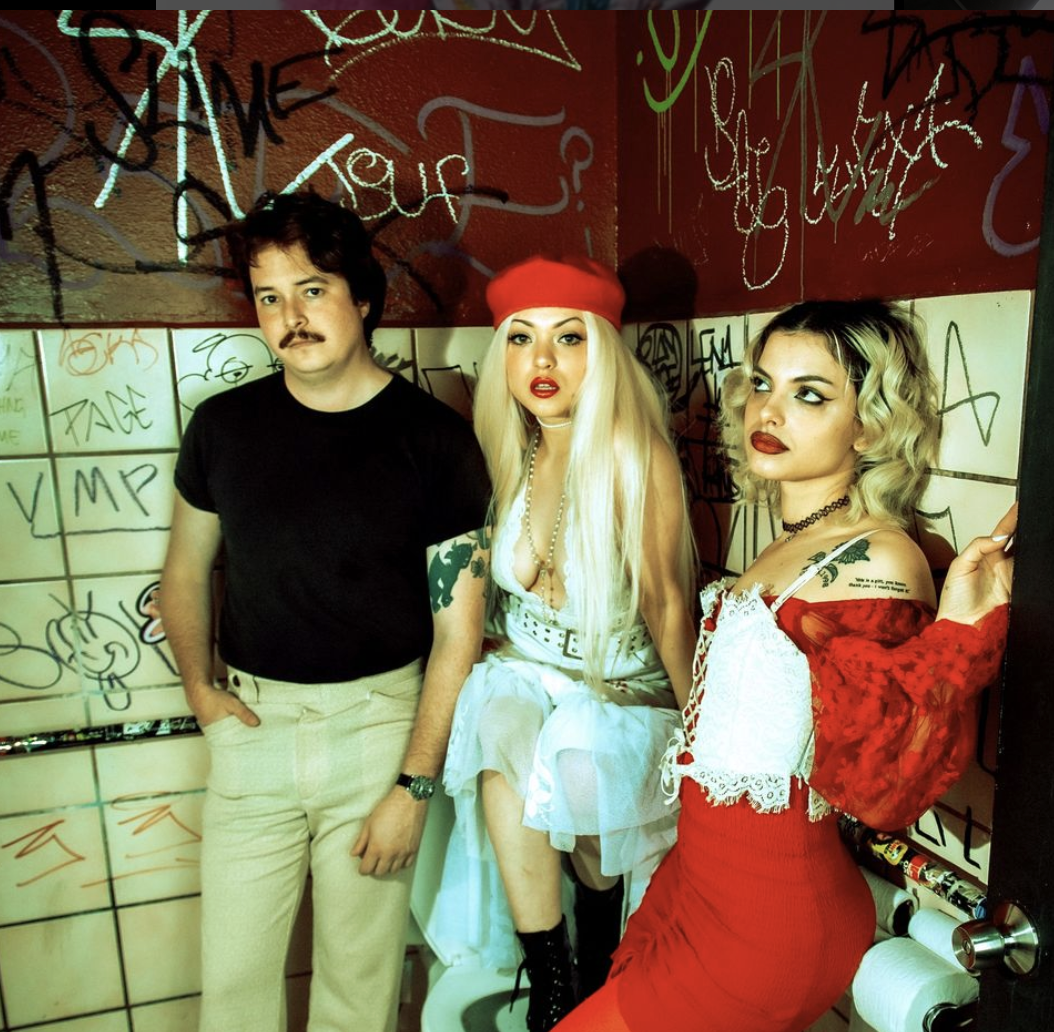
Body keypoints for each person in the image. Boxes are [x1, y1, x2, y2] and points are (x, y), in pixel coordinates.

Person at [553, 299, 1015, 1032]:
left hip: (769, 915)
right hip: (705, 884)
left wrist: (958, 627)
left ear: (867, 424)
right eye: (763, 385)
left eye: (810, 394)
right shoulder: (793, 540)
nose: (770, 410)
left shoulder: (877, 556)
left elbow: (884, 782)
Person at [159, 191, 491, 1032]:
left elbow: (460, 629)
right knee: (232, 986)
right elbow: (185, 572)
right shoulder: (223, 428)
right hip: (253, 733)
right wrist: (202, 690)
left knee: (358, 988)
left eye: (311, 290)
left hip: (379, 731)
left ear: (363, 299)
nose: (290, 316)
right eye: (269, 297)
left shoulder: (434, 440)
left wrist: (413, 787)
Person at [427, 255, 697, 1032]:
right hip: (531, 670)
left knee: (579, 767)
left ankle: (596, 948)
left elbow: (669, 607)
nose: (540, 362)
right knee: (499, 725)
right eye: (521, 339)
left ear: (603, 352)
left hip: (621, 692)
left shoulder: (630, 454)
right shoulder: (513, 448)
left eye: (568, 338)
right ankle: (551, 982)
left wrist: (704, 741)